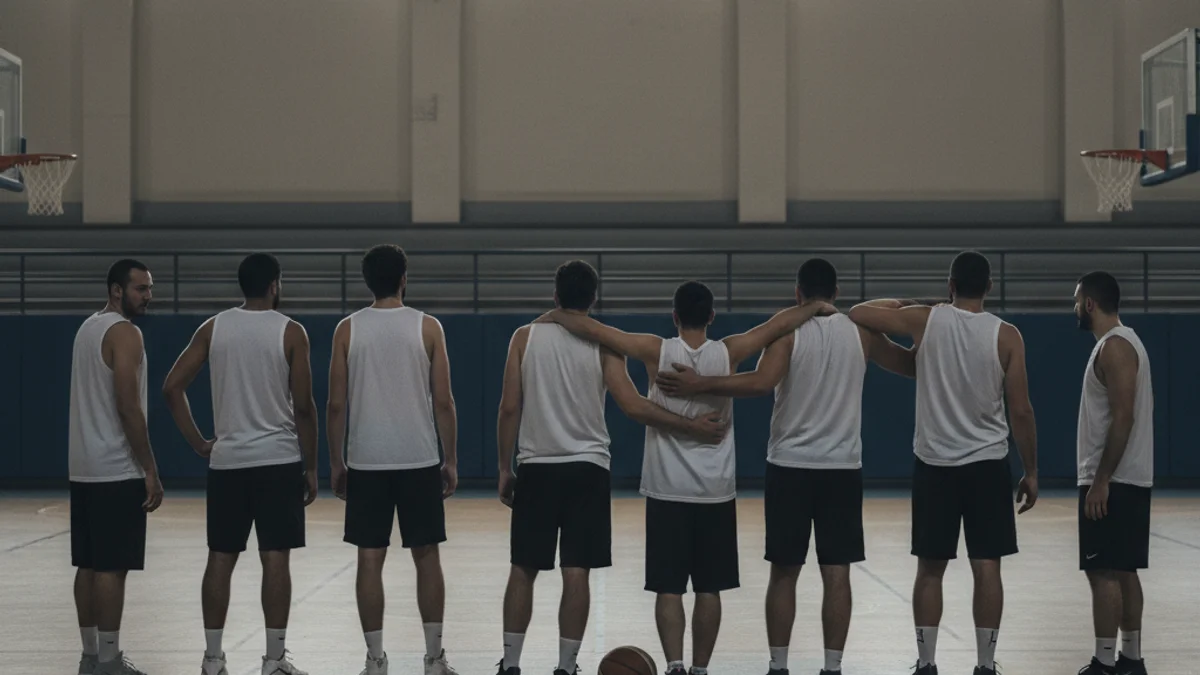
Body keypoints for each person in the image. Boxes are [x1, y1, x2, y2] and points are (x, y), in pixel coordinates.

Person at [538, 279, 835, 675]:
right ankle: (700, 669)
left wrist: (555, 314)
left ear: (674, 316)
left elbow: (595, 330)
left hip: (667, 488)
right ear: (711, 316)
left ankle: (675, 665)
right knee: (709, 589)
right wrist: (814, 307)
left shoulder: (656, 350)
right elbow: (776, 326)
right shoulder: (729, 351)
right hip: (715, 490)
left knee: (669, 588)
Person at [655, 259, 916, 675]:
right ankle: (832, 667)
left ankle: (778, 666)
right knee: (837, 573)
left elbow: (760, 383)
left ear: (798, 294)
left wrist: (700, 384)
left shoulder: (787, 332)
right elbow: (911, 364)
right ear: (836, 292)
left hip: (790, 466)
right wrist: (916, 318)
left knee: (784, 573)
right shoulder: (862, 332)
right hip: (842, 467)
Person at [494, 261, 728, 675]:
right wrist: (690, 425)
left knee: (523, 568)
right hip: (587, 467)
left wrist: (503, 467)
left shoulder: (524, 337)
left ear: (555, 296)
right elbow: (633, 405)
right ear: (593, 298)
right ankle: (566, 666)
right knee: (576, 571)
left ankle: (511, 664)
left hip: (537, 465)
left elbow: (509, 406)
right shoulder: (604, 343)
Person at [846, 251, 1038, 675]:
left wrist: (905, 305)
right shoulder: (1007, 336)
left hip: (935, 465)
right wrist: (1032, 470)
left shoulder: (927, 319)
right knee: (987, 566)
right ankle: (985, 665)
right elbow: (1021, 410)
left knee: (930, 569)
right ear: (989, 287)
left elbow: (859, 313)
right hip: (988, 464)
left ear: (949, 286)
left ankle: (927, 662)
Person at [162, 253, 319, 675]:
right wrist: (311, 466)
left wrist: (199, 443)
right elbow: (304, 406)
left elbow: (172, 387)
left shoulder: (213, 328)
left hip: (228, 463)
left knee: (220, 557)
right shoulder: (291, 331)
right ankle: (273, 659)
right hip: (277, 460)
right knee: (275, 558)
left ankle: (213, 659)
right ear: (274, 284)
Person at [327, 245, 461, 675]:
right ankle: (434, 659)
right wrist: (450, 459)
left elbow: (335, 405)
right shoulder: (428, 327)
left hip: (366, 460)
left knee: (369, 559)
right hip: (418, 458)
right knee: (427, 557)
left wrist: (336, 462)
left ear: (367, 281)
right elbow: (443, 401)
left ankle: (375, 660)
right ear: (404, 278)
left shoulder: (347, 329)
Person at [68, 259, 164, 675]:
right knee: (111, 568)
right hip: (116, 467)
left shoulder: (87, 329)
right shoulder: (125, 333)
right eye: (141, 288)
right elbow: (127, 404)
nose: (148, 295)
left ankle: (91, 656)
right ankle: (109, 662)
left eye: (150, 287)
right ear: (116, 290)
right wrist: (149, 467)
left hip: (84, 467)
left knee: (88, 565)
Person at [1072, 272, 1152, 675]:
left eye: (1076, 301)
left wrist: (1101, 480)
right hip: (1125, 479)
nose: (1074, 308)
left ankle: (1104, 663)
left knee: (1102, 571)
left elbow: (1123, 418)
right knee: (1123, 569)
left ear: (1090, 304)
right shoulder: (1122, 343)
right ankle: (1131, 660)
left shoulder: (1115, 346)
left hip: (1113, 481)